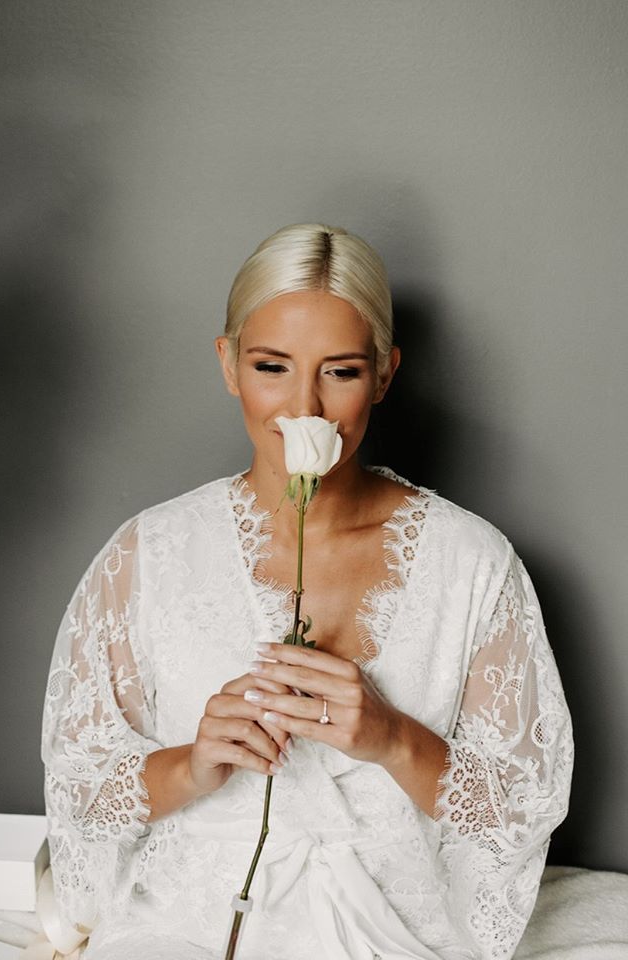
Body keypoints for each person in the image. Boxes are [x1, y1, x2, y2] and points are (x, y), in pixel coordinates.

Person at [41, 223, 574, 960]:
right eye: (272, 366)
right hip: (185, 928)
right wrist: (195, 763)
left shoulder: (473, 565)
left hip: (392, 931)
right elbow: (83, 798)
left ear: (385, 375)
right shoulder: (147, 555)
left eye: (342, 372)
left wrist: (391, 737)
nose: (306, 408)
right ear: (228, 365)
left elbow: (516, 813)